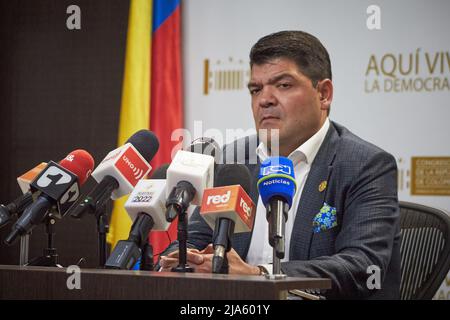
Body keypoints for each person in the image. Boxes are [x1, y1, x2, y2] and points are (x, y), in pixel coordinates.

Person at [159, 30, 401, 299]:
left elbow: (363, 267)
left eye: (283, 85)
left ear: (323, 94)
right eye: (256, 89)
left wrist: (260, 276)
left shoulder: (365, 165)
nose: (265, 99)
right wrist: (183, 259)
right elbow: (195, 238)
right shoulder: (233, 160)